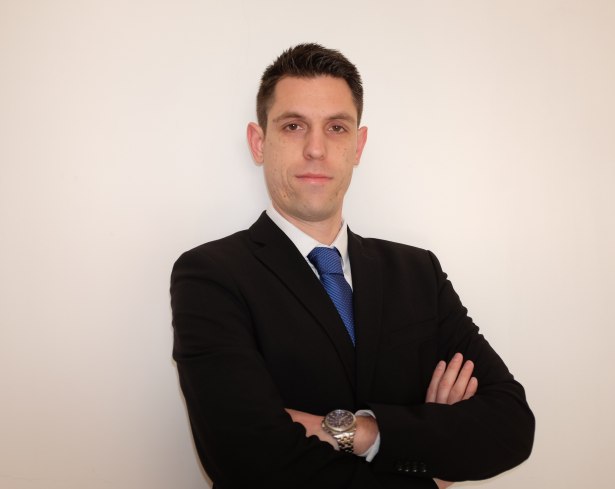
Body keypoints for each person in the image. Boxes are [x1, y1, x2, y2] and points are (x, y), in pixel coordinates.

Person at [170, 43, 534, 489]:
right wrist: (430, 465)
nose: (316, 149)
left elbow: (512, 425)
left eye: (336, 127)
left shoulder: (418, 272)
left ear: (358, 145)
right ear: (259, 142)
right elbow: (246, 457)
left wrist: (360, 432)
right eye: (293, 126)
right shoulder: (210, 276)